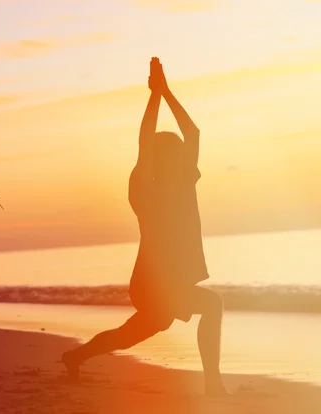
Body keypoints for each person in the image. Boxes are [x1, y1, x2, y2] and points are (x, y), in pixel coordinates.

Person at [62, 57, 229, 397]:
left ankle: (75, 355)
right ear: (160, 160)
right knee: (212, 305)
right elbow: (144, 142)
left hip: (172, 281)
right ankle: (212, 383)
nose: (184, 160)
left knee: (130, 334)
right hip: (151, 283)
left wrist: (166, 91)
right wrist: (154, 96)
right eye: (176, 156)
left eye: (183, 156)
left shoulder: (185, 183)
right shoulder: (143, 190)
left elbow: (193, 133)